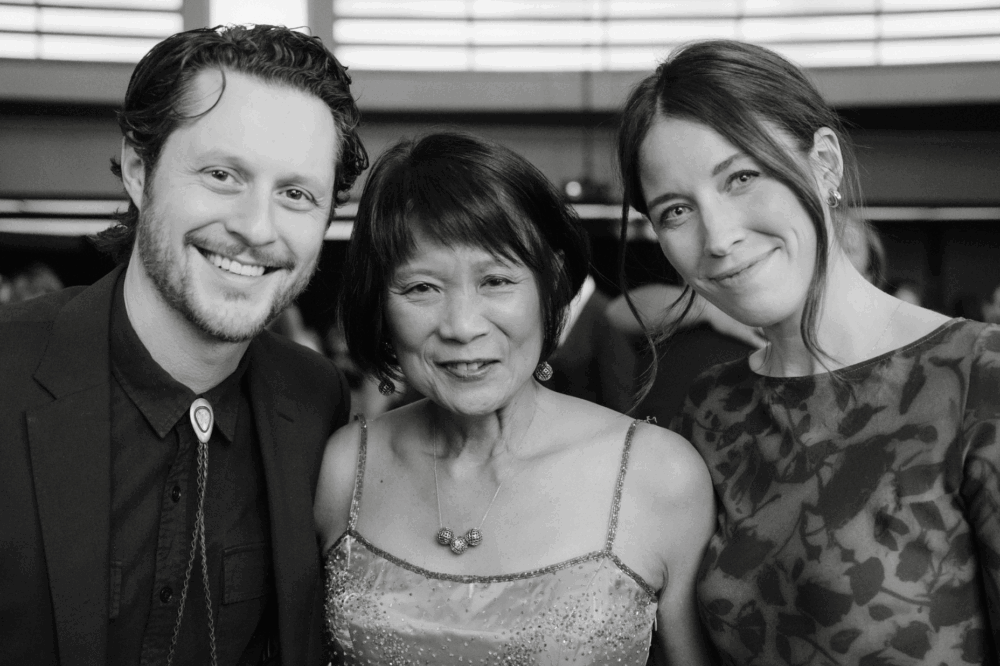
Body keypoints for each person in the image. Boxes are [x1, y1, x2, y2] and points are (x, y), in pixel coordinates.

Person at [618, 39, 1000, 665]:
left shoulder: (977, 378)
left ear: (824, 164)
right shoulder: (712, 410)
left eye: (742, 177)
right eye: (676, 210)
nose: (718, 238)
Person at [0, 24, 367, 666]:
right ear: (140, 172)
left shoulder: (315, 404)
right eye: (223, 174)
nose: (257, 228)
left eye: (297, 194)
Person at [314, 132, 715, 665]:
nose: (461, 326)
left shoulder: (658, 474)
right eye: (420, 289)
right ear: (379, 306)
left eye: (497, 280)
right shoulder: (346, 464)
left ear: (549, 288)